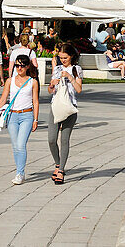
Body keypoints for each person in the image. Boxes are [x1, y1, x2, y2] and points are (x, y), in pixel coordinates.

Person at [0, 54, 39, 185]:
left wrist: (36, 119)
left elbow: (35, 101)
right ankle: (20, 172)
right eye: (17, 65)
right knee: (15, 146)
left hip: (27, 115)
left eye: (22, 65)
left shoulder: (32, 82)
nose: (19, 68)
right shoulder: (10, 81)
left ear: (27, 66)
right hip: (12, 115)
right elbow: (3, 98)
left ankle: (20, 173)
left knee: (20, 145)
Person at [48, 43, 83, 184]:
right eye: (60, 57)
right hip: (55, 106)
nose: (62, 60)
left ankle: (61, 171)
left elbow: (79, 89)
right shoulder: (56, 69)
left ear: (72, 56)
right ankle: (58, 164)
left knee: (64, 139)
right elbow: (51, 90)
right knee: (51, 139)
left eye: (65, 58)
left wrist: (70, 76)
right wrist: (52, 84)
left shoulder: (77, 69)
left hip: (70, 108)